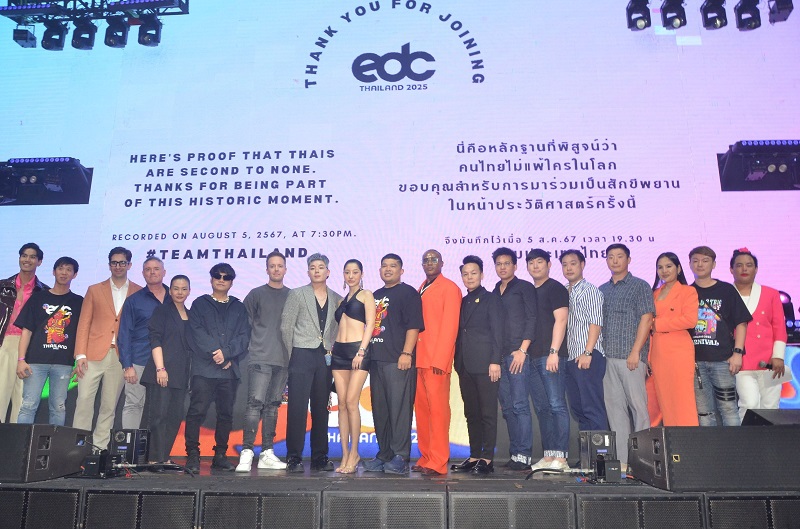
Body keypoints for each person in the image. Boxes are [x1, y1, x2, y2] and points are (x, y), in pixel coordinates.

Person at [73, 247, 142, 450]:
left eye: (122, 262)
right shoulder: (94, 289)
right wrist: (80, 354)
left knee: (109, 406)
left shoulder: (138, 291)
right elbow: (84, 323)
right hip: (92, 355)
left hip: (120, 357)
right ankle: (78, 447)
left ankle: (99, 449)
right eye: (114, 262)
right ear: (109, 264)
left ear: (129, 265)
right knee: (84, 401)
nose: (118, 266)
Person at [361, 254, 424, 475]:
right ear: (379, 270)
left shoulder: (408, 293)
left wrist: (407, 353)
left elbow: (414, 326)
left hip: (398, 360)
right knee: (381, 411)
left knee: (399, 410)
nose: (388, 269)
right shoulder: (375, 295)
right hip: (376, 360)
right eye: (384, 266)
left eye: (393, 266)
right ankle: (385, 454)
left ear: (401, 270)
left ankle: (400, 456)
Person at [280, 253, 342, 473]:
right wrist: (292, 355)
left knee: (321, 408)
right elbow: (286, 327)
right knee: (297, 408)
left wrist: (330, 348)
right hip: (301, 354)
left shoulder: (337, 298)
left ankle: (319, 457)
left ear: (328, 272)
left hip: (324, 357)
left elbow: (338, 329)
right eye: (313, 267)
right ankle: (294, 458)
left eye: (321, 267)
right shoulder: (297, 294)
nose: (317, 270)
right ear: (308, 272)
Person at [185, 263, 250, 472]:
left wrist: (227, 354)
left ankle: (220, 455)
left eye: (226, 277)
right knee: (196, 412)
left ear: (232, 282)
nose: (221, 280)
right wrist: (218, 354)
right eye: (217, 276)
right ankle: (192, 455)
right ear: (211, 279)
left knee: (225, 414)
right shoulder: (199, 304)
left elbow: (244, 336)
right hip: (204, 369)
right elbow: (196, 333)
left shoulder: (239, 307)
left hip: (228, 371)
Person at [598, 244, 654, 471]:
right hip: (607, 357)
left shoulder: (640, 286)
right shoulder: (602, 289)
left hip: (631, 357)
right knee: (615, 411)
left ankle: (644, 460)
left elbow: (647, 319)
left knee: (638, 409)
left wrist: (636, 352)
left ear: (629, 260)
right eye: (610, 257)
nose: (615, 260)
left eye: (620, 256)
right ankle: (622, 461)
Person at [236, 251, 292, 472]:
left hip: (283, 360)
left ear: (285, 269)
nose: (276, 269)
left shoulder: (293, 296)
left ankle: (267, 452)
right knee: (254, 404)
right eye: (272, 266)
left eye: (280, 265)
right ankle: (247, 452)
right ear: (267, 269)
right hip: (260, 357)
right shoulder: (256, 294)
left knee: (272, 406)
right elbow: (243, 325)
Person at [689, 246, 751, 426]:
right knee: (704, 412)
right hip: (695, 363)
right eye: (695, 261)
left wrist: (737, 353)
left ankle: (734, 445)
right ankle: (710, 445)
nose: (700, 264)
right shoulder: (687, 292)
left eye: (705, 260)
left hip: (723, 361)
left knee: (728, 408)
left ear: (714, 264)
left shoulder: (726, 290)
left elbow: (741, 323)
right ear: (690, 264)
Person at [15, 257, 82, 425]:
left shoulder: (79, 302)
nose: (64, 273)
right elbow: (26, 331)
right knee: (28, 405)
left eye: (69, 269)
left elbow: (83, 333)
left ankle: (54, 443)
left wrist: (79, 359)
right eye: (60, 268)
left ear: (75, 275)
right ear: (53, 271)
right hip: (36, 362)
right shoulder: (38, 298)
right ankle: (23, 442)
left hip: (64, 363)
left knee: (58, 407)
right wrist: (21, 359)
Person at [453, 255, 503, 474]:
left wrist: (495, 361)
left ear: (482, 275)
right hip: (464, 364)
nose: (469, 277)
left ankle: (487, 459)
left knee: (487, 413)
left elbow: (498, 332)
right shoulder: (462, 301)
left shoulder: (491, 299)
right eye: (465, 274)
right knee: (471, 413)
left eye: (474, 273)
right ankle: (474, 456)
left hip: (486, 365)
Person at [413, 249, 461, 476]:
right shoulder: (421, 287)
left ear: (442, 263)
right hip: (419, 359)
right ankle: (426, 456)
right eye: (426, 260)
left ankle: (438, 460)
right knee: (423, 413)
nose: (430, 262)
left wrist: (441, 361)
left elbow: (450, 327)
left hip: (436, 361)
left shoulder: (450, 288)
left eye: (434, 259)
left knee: (439, 413)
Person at [491, 247, 537, 471]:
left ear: (515, 266)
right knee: (508, 408)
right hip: (499, 357)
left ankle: (524, 455)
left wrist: (523, 350)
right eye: (499, 264)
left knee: (520, 405)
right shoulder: (494, 291)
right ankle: (515, 453)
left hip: (517, 354)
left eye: (506, 263)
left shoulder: (524, 287)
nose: (502, 267)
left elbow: (532, 318)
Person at [730, 248, 789, 420]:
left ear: (756, 269)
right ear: (731, 269)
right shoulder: (726, 294)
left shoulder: (771, 294)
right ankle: (747, 438)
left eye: (749, 265)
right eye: (739, 265)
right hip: (741, 361)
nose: (744, 269)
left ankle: (770, 438)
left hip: (770, 361)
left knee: (771, 406)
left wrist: (778, 356)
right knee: (749, 403)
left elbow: (779, 327)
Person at [141, 275, 193, 467]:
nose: (180, 292)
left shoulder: (191, 314)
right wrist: (160, 368)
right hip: (162, 372)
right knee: (159, 415)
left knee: (174, 417)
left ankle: (164, 455)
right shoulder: (162, 311)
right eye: (176, 288)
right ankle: (154, 457)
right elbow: (155, 339)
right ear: (170, 291)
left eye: (184, 289)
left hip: (181, 374)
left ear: (189, 291)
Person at [526, 249, 570, 472]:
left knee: (556, 405)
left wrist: (554, 352)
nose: (535, 266)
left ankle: (561, 457)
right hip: (532, 357)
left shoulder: (555, 288)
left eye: (540, 262)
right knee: (542, 408)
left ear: (549, 264)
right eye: (531, 263)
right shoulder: (529, 291)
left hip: (550, 355)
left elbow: (561, 320)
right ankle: (549, 454)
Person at [331, 259, 375, 474]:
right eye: (347, 272)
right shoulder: (341, 301)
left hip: (358, 352)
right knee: (341, 404)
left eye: (355, 272)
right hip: (339, 352)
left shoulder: (366, 295)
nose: (351, 276)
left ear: (361, 274)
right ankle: (345, 454)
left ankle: (355, 452)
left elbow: (371, 324)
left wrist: (361, 351)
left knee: (351, 401)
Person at [649, 252, 699, 426]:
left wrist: (658, 324)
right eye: (660, 267)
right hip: (658, 351)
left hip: (679, 350)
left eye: (669, 266)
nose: (664, 270)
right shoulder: (654, 293)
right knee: (664, 400)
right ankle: (671, 438)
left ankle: (687, 438)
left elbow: (690, 320)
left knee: (682, 399)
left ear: (678, 268)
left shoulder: (688, 291)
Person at [117, 257, 168, 429]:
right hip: (139, 360)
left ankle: (154, 446)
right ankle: (130, 445)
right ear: (143, 273)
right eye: (148, 269)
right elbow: (124, 334)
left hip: (167, 363)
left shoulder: (174, 298)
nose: (152, 272)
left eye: (156, 269)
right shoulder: (134, 300)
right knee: (134, 404)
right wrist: (127, 365)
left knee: (162, 408)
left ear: (164, 272)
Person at [0, 242, 48, 423]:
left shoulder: (44, 292)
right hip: (4, 343)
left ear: (39, 262)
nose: (27, 260)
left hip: (30, 348)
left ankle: (17, 439)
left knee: (23, 401)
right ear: (19, 258)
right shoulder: (2, 286)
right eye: (24, 256)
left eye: (32, 257)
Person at [560, 249, 608, 432]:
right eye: (565, 265)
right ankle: (587, 449)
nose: (569, 268)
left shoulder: (590, 290)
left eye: (573, 263)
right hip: (571, 357)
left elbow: (596, 323)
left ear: (582, 265)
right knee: (579, 409)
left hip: (588, 355)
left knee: (592, 407)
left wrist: (588, 352)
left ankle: (600, 450)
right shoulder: (564, 291)